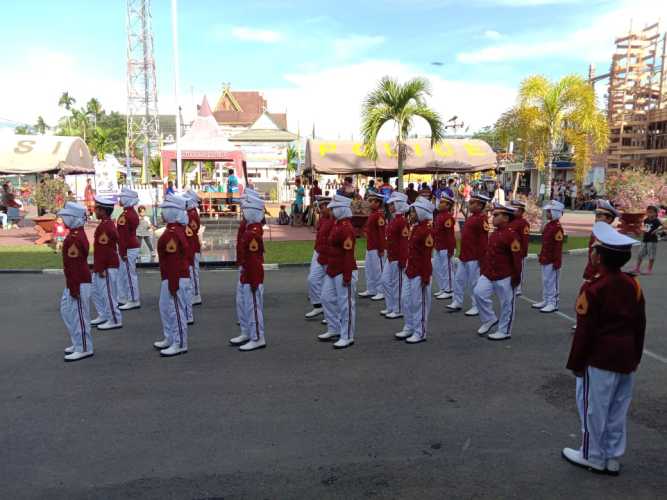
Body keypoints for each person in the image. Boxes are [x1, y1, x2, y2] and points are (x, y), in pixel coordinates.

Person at [562, 221, 645, 476]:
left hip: (598, 359)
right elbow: (639, 325)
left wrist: (576, 364)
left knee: (594, 408)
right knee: (618, 408)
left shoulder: (594, 287)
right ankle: (611, 456)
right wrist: (636, 356)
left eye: (595, 248)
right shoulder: (633, 285)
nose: (592, 251)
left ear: (599, 257)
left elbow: (585, 332)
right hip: (626, 357)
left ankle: (592, 455)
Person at [473, 203, 523, 341]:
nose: (492, 217)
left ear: (506, 218)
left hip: (505, 275)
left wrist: (516, 277)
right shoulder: (494, 233)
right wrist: (484, 270)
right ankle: (489, 318)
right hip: (489, 273)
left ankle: (504, 330)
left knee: (507, 304)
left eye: (496, 215)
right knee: (478, 292)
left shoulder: (512, 235)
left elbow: (517, 259)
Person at [152, 194, 190, 357]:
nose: (162, 213)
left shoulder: (172, 234)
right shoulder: (173, 230)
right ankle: (170, 337)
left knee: (176, 311)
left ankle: (179, 342)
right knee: (166, 308)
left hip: (175, 277)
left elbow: (174, 261)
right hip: (170, 276)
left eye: (164, 210)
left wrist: (172, 284)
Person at [318, 194, 357, 348]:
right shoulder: (337, 224)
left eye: (334, 208)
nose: (331, 211)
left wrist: (347, 275)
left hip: (343, 270)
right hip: (332, 269)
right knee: (326, 298)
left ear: (341, 209)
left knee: (345, 304)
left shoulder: (347, 228)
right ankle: (334, 328)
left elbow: (348, 253)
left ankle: (347, 335)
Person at [394, 196, 435, 344]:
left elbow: (426, 256)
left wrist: (425, 276)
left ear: (421, 212)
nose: (411, 215)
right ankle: (409, 326)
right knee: (406, 300)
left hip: (420, 271)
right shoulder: (416, 228)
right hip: (410, 270)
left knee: (419, 303)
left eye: (413, 212)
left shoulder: (426, 230)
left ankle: (420, 331)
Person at [229, 196, 267, 351]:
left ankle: (257, 337)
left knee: (253, 307)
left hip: (252, 276)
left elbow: (254, 261)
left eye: (245, 209)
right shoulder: (250, 229)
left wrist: (252, 280)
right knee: (243, 304)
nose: (243, 212)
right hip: (246, 273)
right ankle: (247, 332)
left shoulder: (253, 232)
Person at [57, 202, 93, 362]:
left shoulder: (74, 238)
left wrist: (74, 287)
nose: (63, 219)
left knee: (79, 315)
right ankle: (77, 342)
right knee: (68, 311)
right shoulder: (75, 235)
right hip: (75, 281)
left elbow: (75, 265)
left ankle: (84, 347)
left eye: (66, 217)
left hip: (78, 281)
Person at [447, 193, 491, 315]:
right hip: (465, 255)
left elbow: (483, 240)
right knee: (458, 279)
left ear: (480, 205)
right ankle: (457, 301)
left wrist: (482, 258)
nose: (469, 205)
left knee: (474, 283)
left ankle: (476, 306)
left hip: (474, 256)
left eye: (473, 203)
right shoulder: (472, 217)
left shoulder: (482, 219)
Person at [90, 195, 122, 330]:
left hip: (107, 265)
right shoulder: (104, 224)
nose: (94, 211)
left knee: (108, 293)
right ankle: (104, 314)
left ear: (102, 211)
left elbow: (104, 250)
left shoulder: (105, 227)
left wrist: (101, 268)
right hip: (102, 265)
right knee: (96, 291)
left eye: (96, 209)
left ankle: (114, 319)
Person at [532, 200, 565, 314]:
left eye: (549, 211)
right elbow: (545, 243)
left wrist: (557, 262)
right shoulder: (549, 225)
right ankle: (546, 300)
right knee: (545, 281)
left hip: (552, 259)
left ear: (555, 212)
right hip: (546, 258)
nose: (547, 213)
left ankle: (553, 302)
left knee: (552, 282)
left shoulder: (557, 228)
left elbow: (557, 247)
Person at [380, 191, 409, 319]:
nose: (390, 206)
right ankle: (390, 306)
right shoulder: (394, 219)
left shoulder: (402, 221)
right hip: (391, 256)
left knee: (397, 284)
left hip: (397, 257)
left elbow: (404, 242)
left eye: (392, 204)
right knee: (385, 281)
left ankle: (398, 309)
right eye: (390, 204)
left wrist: (403, 259)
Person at [305, 196, 334, 319]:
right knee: (312, 279)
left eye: (324, 206)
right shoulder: (321, 219)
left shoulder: (334, 220)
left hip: (329, 254)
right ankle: (318, 306)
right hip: (319, 251)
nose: (321, 209)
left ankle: (331, 313)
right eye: (320, 206)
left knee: (331, 286)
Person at [117, 187, 142, 311]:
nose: (119, 199)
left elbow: (123, 237)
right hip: (131, 246)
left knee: (128, 274)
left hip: (128, 248)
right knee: (124, 273)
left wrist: (122, 251)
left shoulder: (126, 215)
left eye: (122, 197)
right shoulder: (131, 213)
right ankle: (124, 297)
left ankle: (133, 299)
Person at [358, 192, 386, 301]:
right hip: (370, 246)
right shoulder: (373, 214)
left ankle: (381, 291)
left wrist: (381, 248)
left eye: (372, 201)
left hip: (376, 247)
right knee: (369, 269)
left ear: (378, 203)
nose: (370, 203)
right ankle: (371, 289)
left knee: (378, 270)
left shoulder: (379, 215)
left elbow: (381, 233)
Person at [583, 200, 619, 282]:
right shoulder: (595, 231)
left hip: (603, 273)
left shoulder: (611, 235)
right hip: (591, 270)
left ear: (609, 219)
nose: (596, 219)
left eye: (599, 216)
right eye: (596, 216)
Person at [432, 193, 456, 300]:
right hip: (438, 245)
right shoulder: (438, 216)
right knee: (437, 268)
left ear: (448, 206)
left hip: (446, 246)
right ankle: (442, 287)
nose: (439, 203)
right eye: (440, 201)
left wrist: (451, 249)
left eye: (442, 202)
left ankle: (449, 289)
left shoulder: (448, 217)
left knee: (447, 269)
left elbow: (450, 235)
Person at [185, 190, 203, 305]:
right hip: (191, 246)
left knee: (193, 271)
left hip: (192, 246)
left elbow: (191, 231)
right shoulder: (189, 213)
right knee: (190, 271)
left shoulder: (191, 214)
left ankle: (196, 295)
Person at [509, 199, 530, 295]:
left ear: (521, 211)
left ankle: (518, 287)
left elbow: (525, 239)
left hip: (519, 251)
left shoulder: (523, 223)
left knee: (519, 269)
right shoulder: (510, 221)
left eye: (516, 209)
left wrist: (523, 253)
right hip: (509, 251)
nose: (513, 211)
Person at [634, 205, 662, 275]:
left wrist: (656, 230)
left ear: (656, 213)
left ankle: (649, 270)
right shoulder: (646, 220)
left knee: (651, 255)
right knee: (640, 254)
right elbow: (645, 229)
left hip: (652, 241)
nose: (650, 214)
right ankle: (637, 268)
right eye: (648, 212)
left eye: (651, 212)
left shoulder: (656, 221)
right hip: (645, 240)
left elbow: (662, 226)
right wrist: (640, 231)